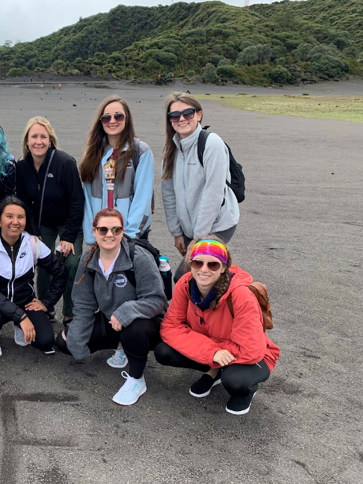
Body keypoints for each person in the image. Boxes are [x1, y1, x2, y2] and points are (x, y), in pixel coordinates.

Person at [154, 238, 280, 415]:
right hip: (216, 348)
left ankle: (245, 391)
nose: (204, 269)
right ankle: (213, 370)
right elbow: (170, 327)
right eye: (198, 263)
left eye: (213, 264)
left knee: (236, 381)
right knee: (163, 351)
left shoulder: (241, 295)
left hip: (254, 355)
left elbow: (250, 350)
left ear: (223, 268)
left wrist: (212, 350)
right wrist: (212, 352)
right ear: (191, 263)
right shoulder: (185, 284)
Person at [57, 208, 167, 406]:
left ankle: (136, 379)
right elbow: (83, 305)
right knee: (65, 342)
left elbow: (157, 300)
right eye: (103, 230)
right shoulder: (88, 259)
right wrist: (77, 342)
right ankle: (121, 346)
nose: (110, 235)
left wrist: (126, 312)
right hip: (112, 319)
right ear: (94, 231)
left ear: (122, 231)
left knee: (132, 330)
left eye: (116, 229)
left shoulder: (138, 257)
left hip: (146, 323)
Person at [160, 92, 239, 282]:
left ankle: (237, 298)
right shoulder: (171, 151)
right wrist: (177, 232)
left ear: (199, 114)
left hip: (217, 224)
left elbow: (213, 194)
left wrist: (198, 238)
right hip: (189, 229)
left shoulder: (212, 144)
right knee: (203, 275)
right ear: (170, 120)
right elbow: (168, 195)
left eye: (188, 113)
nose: (181, 119)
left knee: (183, 277)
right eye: (175, 115)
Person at [0, 197, 67, 357]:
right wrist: (22, 317)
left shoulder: (32, 243)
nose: (15, 221)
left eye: (21, 217)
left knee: (46, 341)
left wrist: (47, 303)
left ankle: (18, 326)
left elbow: (61, 271)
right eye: (9, 216)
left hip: (25, 302)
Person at [16, 116, 83, 327]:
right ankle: (46, 306)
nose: (38, 141)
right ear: (27, 141)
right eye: (33, 136)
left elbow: (77, 201)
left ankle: (70, 312)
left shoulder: (65, 162)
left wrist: (69, 237)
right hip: (42, 222)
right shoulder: (22, 167)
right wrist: (33, 232)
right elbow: (25, 202)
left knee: (71, 263)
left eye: (43, 137)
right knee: (43, 261)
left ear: (50, 140)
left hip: (68, 222)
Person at [79, 95, 154, 242]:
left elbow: (143, 199)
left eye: (118, 116)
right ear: (101, 122)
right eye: (107, 118)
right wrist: (91, 235)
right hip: (101, 236)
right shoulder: (93, 153)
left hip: (129, 237)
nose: (112, 121)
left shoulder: (141, 152)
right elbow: (87, 198)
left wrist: (128, 236)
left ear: (127, 118)